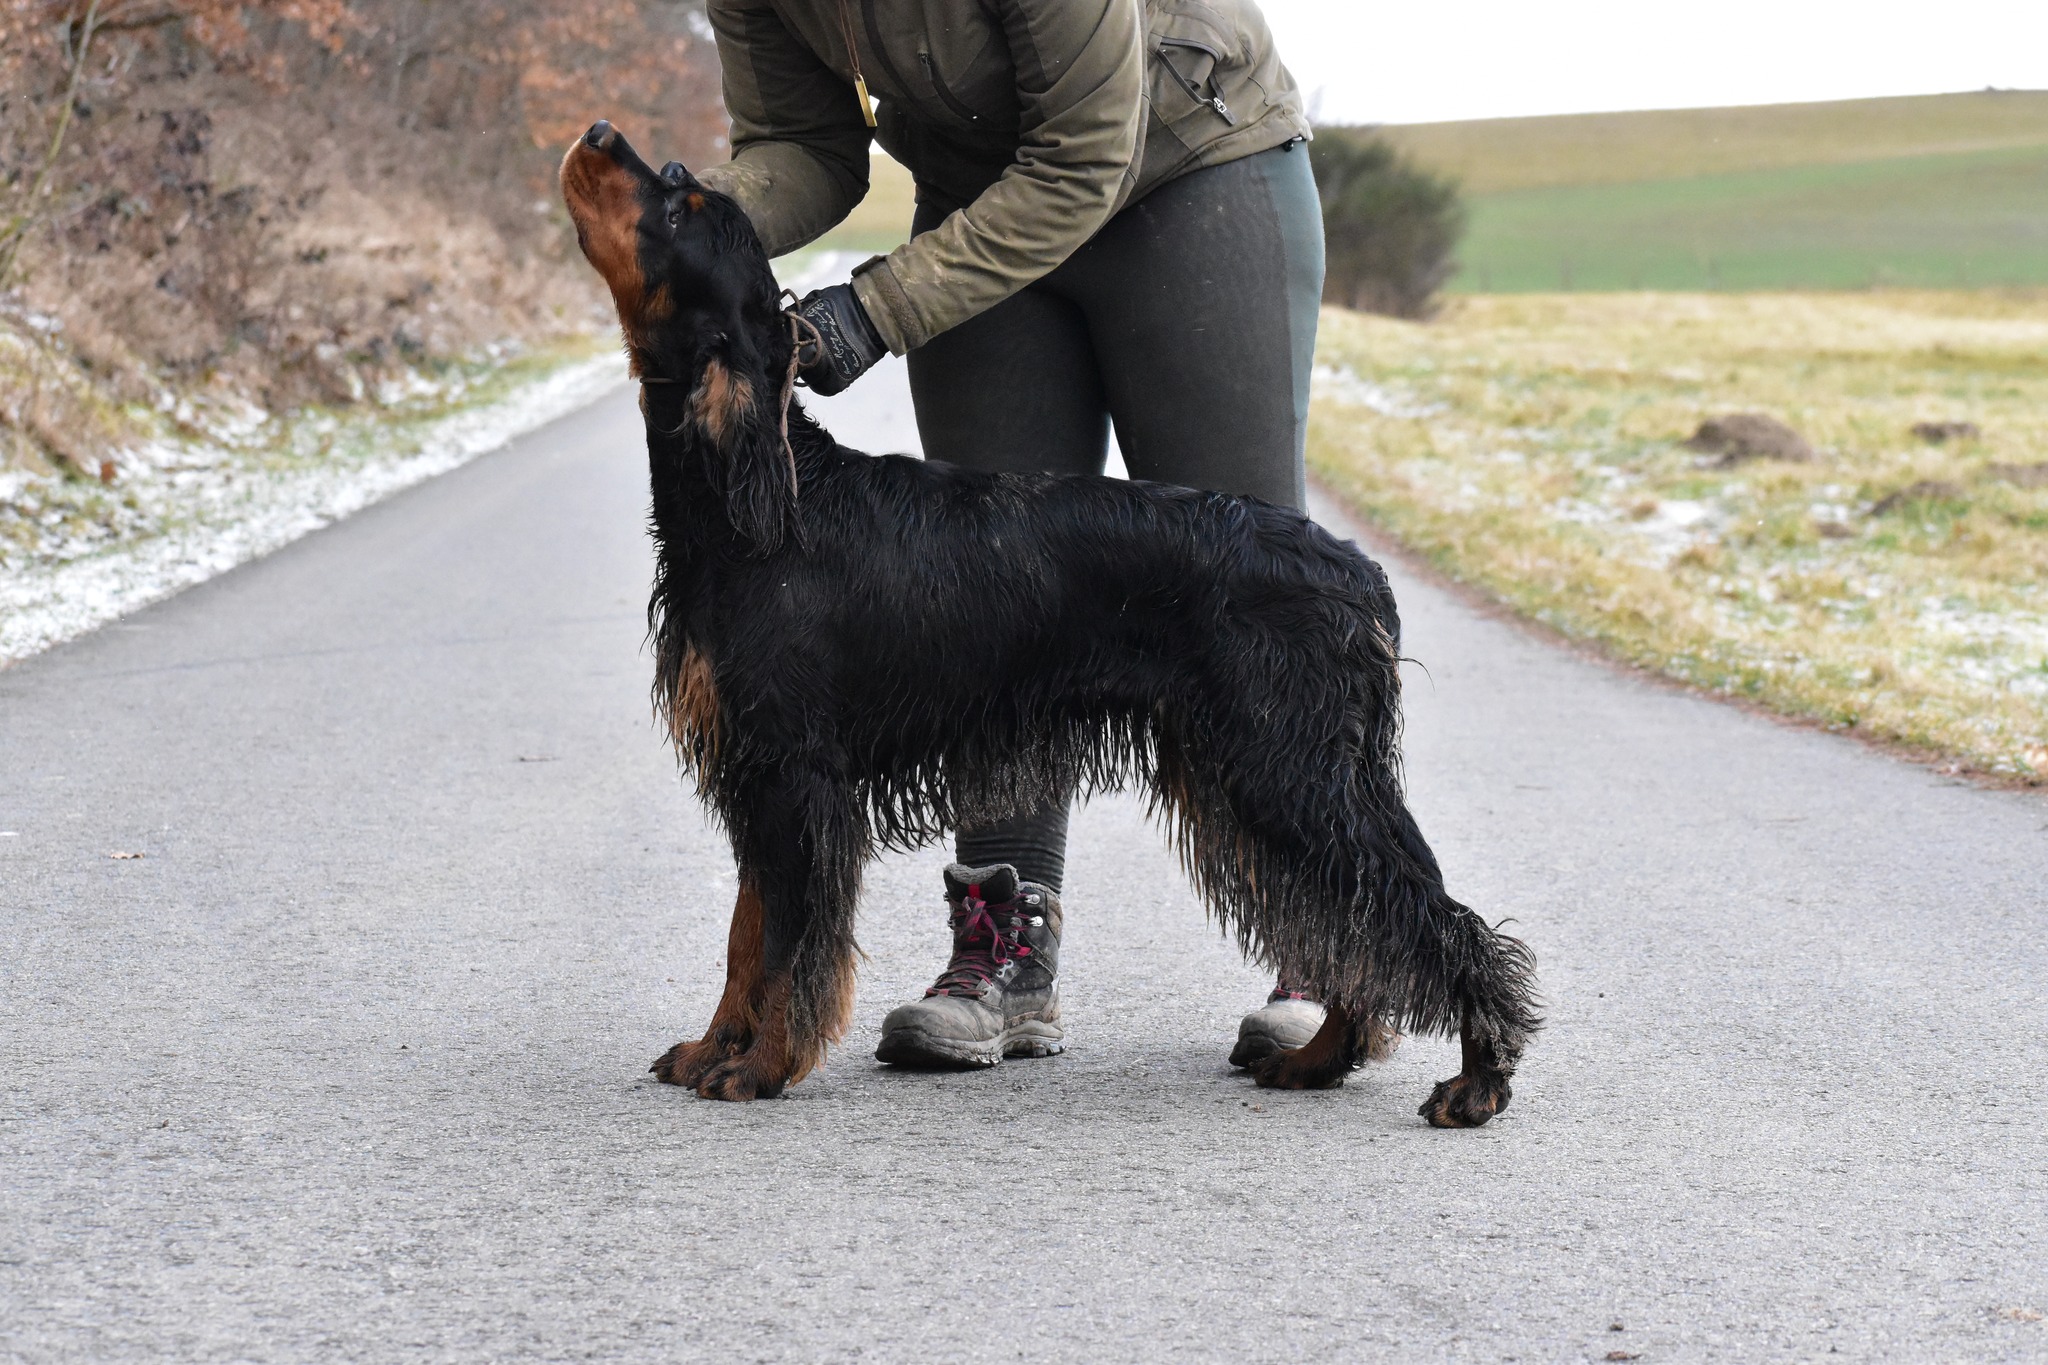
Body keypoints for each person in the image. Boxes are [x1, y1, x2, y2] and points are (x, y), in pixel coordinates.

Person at [696, 0, 1329, 1071]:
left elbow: (1081, 159)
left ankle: (1325, 942)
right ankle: (1005, 953)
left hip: (1187, 164)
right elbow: (802, 147)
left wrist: (877, 310)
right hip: (978, 196)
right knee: (987, 591)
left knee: (1244, 580)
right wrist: (686, 220)